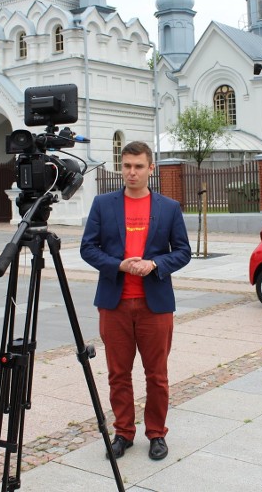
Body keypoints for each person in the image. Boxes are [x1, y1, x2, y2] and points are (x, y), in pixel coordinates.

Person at [80, 141, 191, 461]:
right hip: (114, 304)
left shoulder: (169, 208)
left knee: (157, 375)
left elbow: (182, 251)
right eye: (126, 165)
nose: (131, 172)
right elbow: (88, 248)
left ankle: (156, 433)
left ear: (150, 169)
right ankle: (123, 432)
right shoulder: (103, 204)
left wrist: (155, 264)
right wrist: (119, 264)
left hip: (154, 305)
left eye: (138, 166)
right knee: (118, 373)